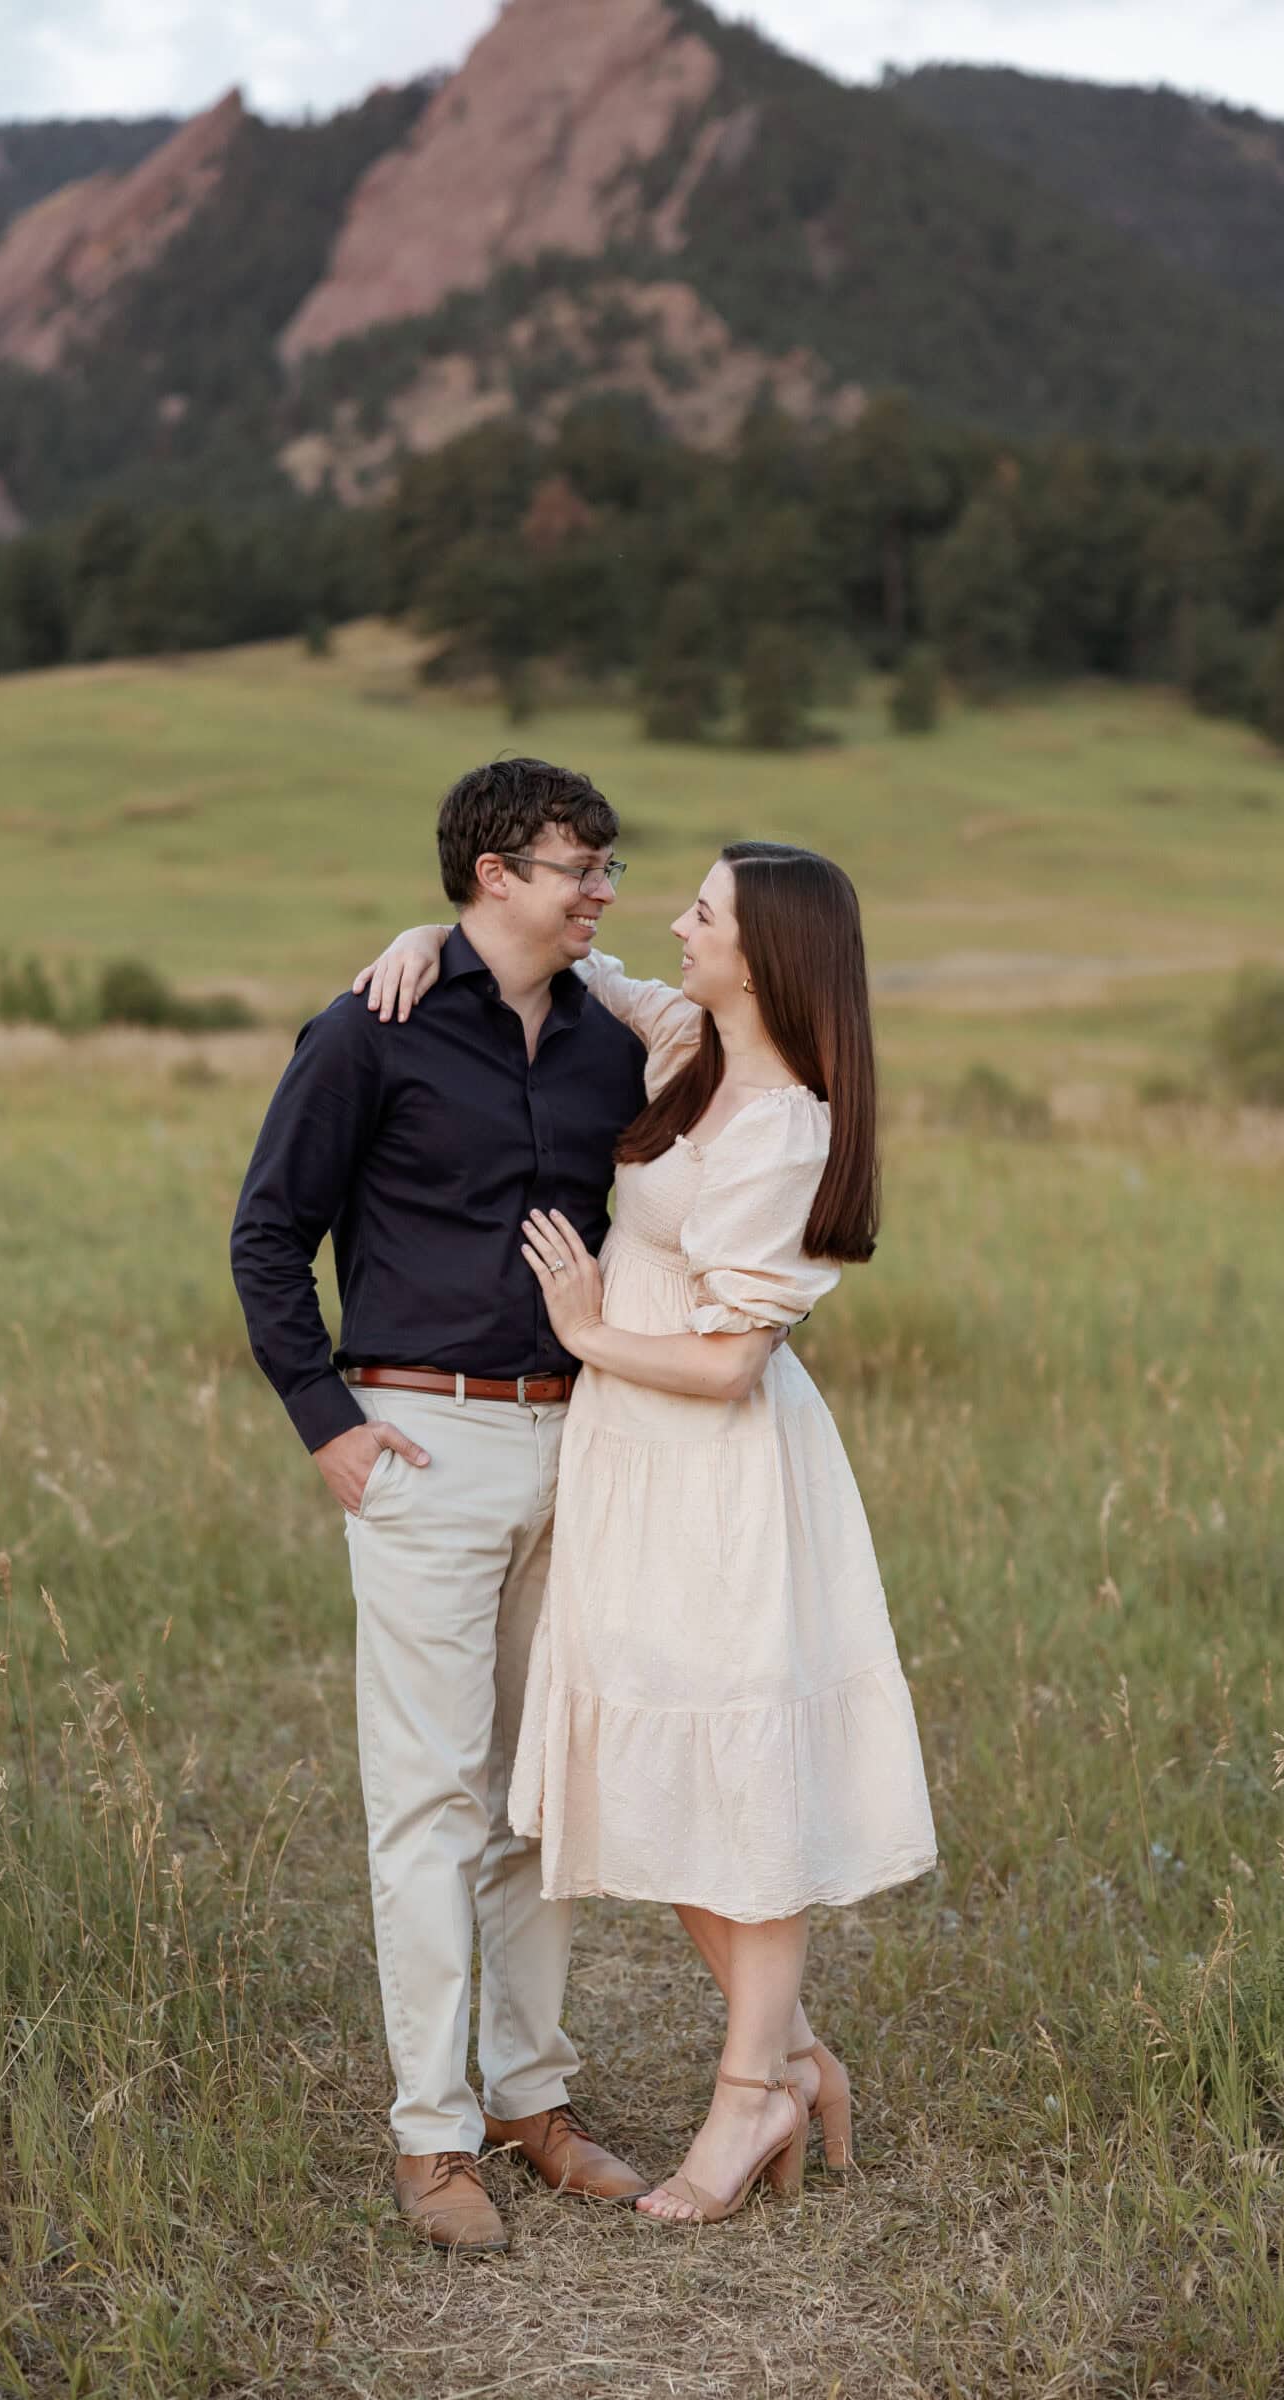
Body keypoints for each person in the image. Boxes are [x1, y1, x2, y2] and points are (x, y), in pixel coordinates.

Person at [361, 842, 938, 2226]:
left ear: (769, 954)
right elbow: (585, 968)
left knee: (730, 1772)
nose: (673, 924)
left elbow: (732, 1362)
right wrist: (423, 941)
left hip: (719, 1473)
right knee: (661, 1777)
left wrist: (586, 1333)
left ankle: (751, 2095)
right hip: (636, 1463)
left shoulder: (788, 1126)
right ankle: (789, 2057)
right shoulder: (689, 1046)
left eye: (705, 913)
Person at [230, 757, 657, 2254]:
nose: (603, 891)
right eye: (578, 868)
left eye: (608, 866)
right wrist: (327, 1426)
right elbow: (268, 1233)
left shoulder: (613, 1031)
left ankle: (532, 2100)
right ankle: (433, 2135)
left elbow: (748, 1022)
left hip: (581, 1446)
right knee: (430, 1796)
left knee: (539, 1794)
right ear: (493, 875)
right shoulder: (374, 1027)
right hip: (417, 1441)